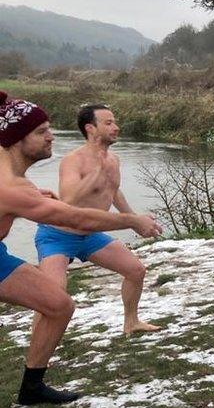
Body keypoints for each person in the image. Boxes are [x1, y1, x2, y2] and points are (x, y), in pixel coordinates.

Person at [0, 91, 161, 405]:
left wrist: (32, 196)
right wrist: (131, 220)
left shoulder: (12, 174)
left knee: (59, 304)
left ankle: (31, 389)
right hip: (57, 236)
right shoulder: (11, 186)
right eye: (40, 131)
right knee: (55, 297)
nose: (51, 136)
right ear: (17, 140)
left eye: (49, 128)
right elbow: (74, 215)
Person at [31, 104, 160, 336]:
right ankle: (38, 345)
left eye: (115, 122)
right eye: (108, 123)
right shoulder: (73, 160)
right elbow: (68, 199)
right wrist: (95, 174)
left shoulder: (114, 159)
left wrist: (134, 220)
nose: (116, 127)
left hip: (91, 235)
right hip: (57, 236)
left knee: (136, 270)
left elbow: (114, 192)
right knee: (51, 293)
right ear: (90, 128)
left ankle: (131, 322)